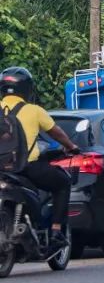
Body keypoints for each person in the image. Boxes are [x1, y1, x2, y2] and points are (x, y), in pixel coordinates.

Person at [0, 67, 81, 251]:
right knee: (62, 183)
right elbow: (56, 133)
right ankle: (56, 231)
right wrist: (71, 147)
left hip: (1, 169)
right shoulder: (34, 110)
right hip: (26, 167)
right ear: (27, 89)